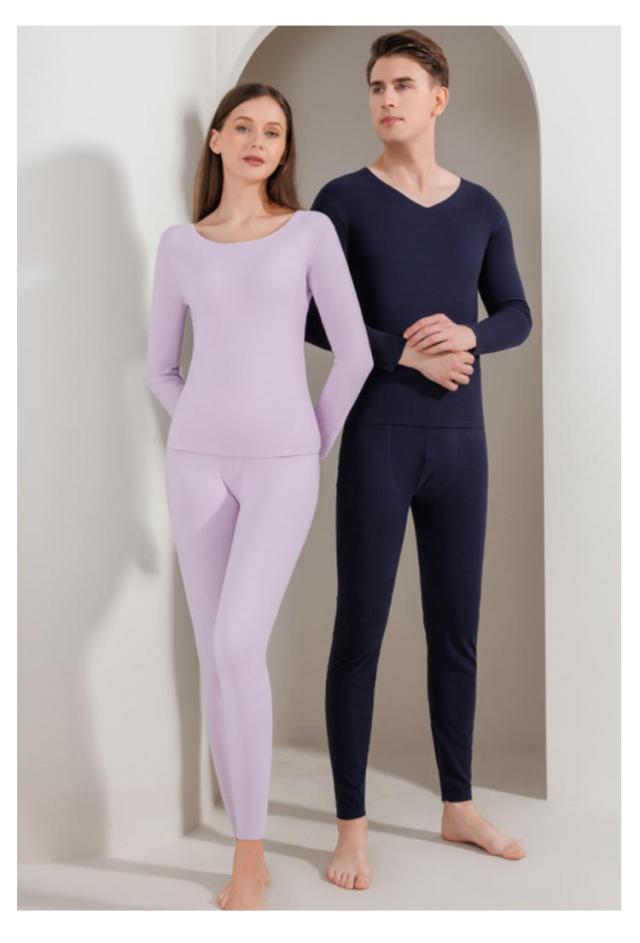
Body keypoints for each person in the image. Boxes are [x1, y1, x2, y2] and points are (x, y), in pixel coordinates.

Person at [304, 30, 532, 891]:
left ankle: (458, 804)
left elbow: (515, 312)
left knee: (456, 630)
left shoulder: (482, 208)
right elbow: (310, 312)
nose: (386, 99)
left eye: (402, 84)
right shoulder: (342, 200)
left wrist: (468, 334)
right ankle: (351, 829)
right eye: (375, 87)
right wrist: (402, 353)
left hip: (462, 445)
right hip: (381, 436)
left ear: (439, 98)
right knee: (359, 631)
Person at [146, 83, 373, 910]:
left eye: (273, 131)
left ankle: (249, 854)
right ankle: (249, 848)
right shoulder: (180, 244)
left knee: (240, 641)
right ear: (215, 139)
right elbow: (160, 367)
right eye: (242, 126)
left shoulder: (310, 232)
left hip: (283, 465)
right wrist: (199, 426)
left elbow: (354, 354)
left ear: (284, 149)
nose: (257, 140)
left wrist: (310, 441)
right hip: (195, 465)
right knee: (217, 654)